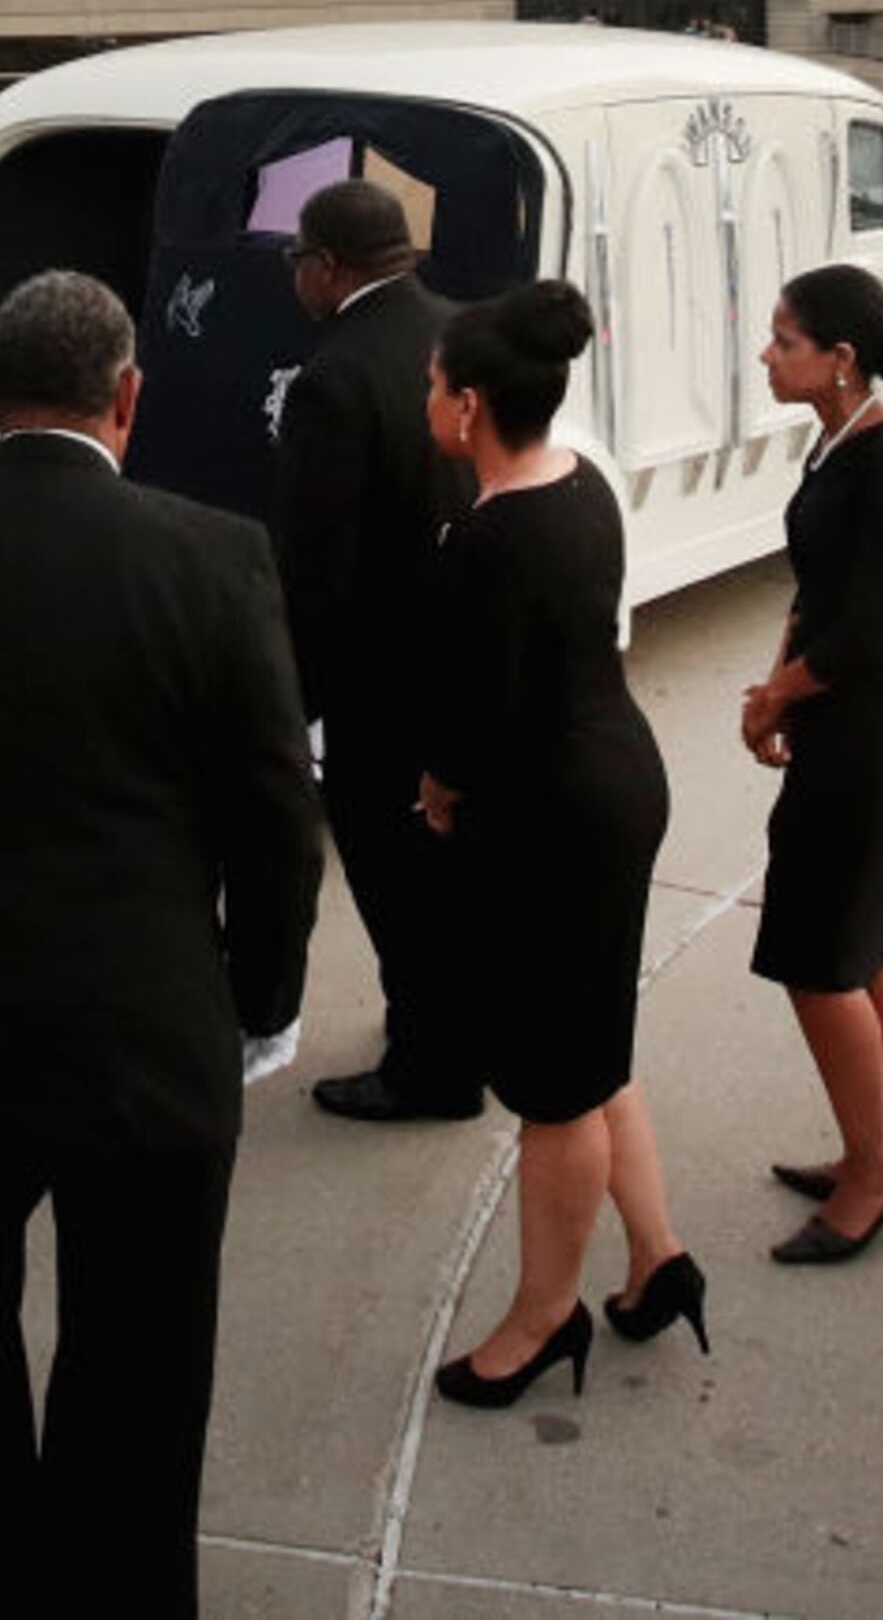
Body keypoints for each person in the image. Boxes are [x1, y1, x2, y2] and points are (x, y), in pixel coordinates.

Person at [0, 269, 318, 1613]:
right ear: (129, 397)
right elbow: (276, 817)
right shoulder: (216, 557)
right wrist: (260, 1001)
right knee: (142, 1357)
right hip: (148, 1035)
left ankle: (2, 1564)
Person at [413, 281, 691, 1406]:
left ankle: (543, 1315)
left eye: (433, 384)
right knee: (589, 1038)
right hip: (613, 773)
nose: (423, 397)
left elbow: (480, 712)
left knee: (553, 1089)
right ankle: (659, 1256)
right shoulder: (580, 486)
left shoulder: (491, 536)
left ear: (471, 404)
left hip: (557, 814)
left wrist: (439, 785)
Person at [738, 263, 883, 1266]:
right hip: (843, 716)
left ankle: (873, 1164)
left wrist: (783, 693)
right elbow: (816, 587)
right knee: (871, 935)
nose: (769, 356)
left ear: (841, 358)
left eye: (785, 341)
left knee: (819, 954)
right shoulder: (837, 441)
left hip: (875, 725)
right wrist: (775, 681)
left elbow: (868, 628)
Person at [269, 179, 480, 1126]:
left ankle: (429, 1067)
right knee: (448, 873)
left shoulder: (332, 379)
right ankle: (445, 1030)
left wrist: (292, 700)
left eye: (296, 261)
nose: (294, 279)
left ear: (327, 265)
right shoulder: (463, 333)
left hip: (379, 679)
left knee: (392, 876)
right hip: (469, 653)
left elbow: (319, 567)